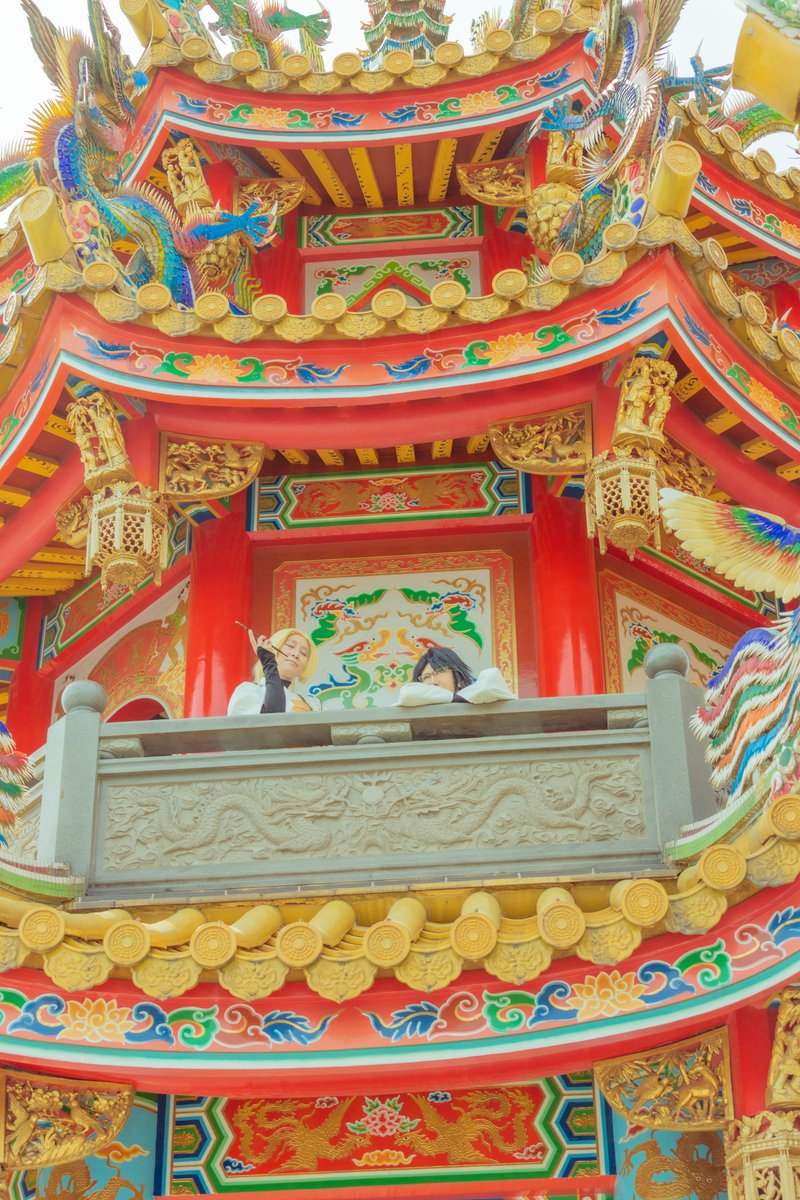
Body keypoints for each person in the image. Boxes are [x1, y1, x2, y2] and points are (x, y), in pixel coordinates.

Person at [227, 627, 319, 715]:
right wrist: (269, 662)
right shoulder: (248, 690)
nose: (296, 654)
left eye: (303, 653)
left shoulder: (312, 704)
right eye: (290, 646)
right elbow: (273, 718)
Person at [394, 645, 516, 707]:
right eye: (426, 677)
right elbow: (408, 693)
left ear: (457, 675)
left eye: (440, 671)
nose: (432, 681)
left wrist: (459, 698)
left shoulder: (478, 690)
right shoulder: (415, 699)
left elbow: (489, 683)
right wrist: (455, 698)